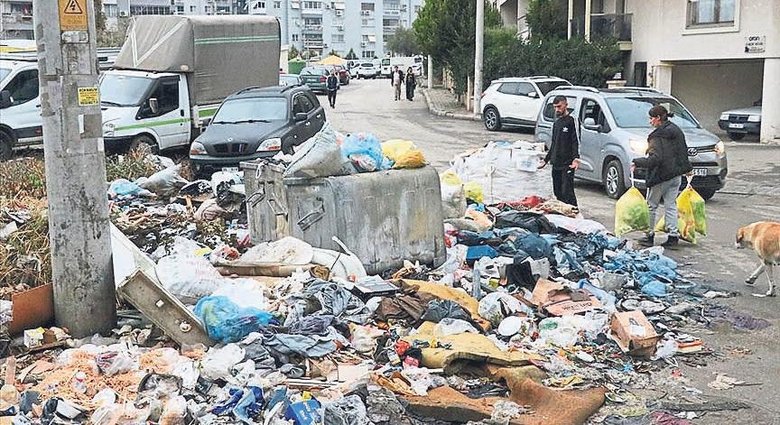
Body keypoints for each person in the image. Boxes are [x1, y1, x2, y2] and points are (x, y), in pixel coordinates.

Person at [632, 105, 693, 247]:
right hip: (676, 175)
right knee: (671, 205)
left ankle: (649, 235)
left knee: (651, 206)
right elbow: (683, 151)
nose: (650, 121)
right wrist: (687, 169)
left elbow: (656, 159)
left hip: (661, 176)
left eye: (651, 118)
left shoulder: (657, 136)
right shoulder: (677, 131)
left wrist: (637, 162)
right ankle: (673, 236)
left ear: (658, 118)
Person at [537, 95, 580, 207]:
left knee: (567, 192)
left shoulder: (572, 121)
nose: (557, 109)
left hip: (567, 164)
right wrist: (546, 160)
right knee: (558, 192)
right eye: (555, 107)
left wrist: (576, 159)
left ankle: (574, 212)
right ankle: (563, 214)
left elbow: (576, 141)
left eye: (559, 106)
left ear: (566, 105)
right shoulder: (557, 123)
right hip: (556, 163)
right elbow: (554, 143)